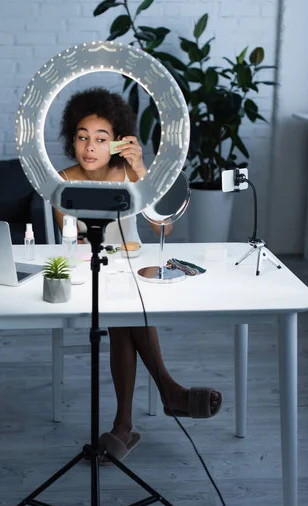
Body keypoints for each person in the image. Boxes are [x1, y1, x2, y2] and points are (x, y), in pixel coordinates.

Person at [54, 87, 222, 461]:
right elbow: (74, 243)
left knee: (124, 312)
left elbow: (164, 228)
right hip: (90, 274)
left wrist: (142, 170)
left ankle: (124, 426)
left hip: (131, 273)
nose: (90, 147)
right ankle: (168, 391)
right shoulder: (63, 179)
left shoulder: (129, 172)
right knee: (123, 311)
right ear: (72, 138)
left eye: (101, 139)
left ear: (117, 142)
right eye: (82, 137)